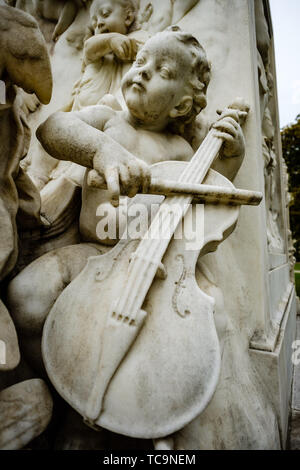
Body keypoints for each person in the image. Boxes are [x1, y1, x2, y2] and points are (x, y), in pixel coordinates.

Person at [7, 27, 245, 373]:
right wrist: (100, 150)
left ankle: (131, 398)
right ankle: (65, 380)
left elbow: (207, 202)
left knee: (209, 316)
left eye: (163, 71)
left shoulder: (181, 149)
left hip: (158, 265)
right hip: (97, 253)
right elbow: (53, 128)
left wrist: (230, 157)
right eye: (141, 61)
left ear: (181, 104)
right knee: (25, 297)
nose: (144, 71)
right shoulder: (108, 122)